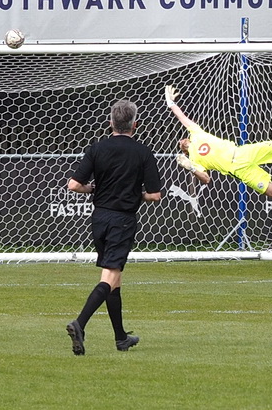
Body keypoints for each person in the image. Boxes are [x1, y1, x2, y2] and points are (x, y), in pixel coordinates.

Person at [66, 99, 162, 355]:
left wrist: (94, 189)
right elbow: (154, 195)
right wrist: (135, 193)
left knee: (114, 279)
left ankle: (121, 338)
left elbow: (74, 185)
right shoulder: (143, 152)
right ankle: (80, 323)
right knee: (109, 277)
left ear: (111, 123)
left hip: (99, 219)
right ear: (135, 125)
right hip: (122, 220)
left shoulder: (97, 148)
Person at [165, 86, 272, 199]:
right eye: (179, 145)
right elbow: (206, 179)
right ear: (184, 151)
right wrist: (190, 167)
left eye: (181, 139)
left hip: (243, 152)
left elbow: (182, 117)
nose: (180, 141)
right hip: (238, 169)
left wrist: (171, 103)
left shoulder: (197, 134)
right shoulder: (194, 160)